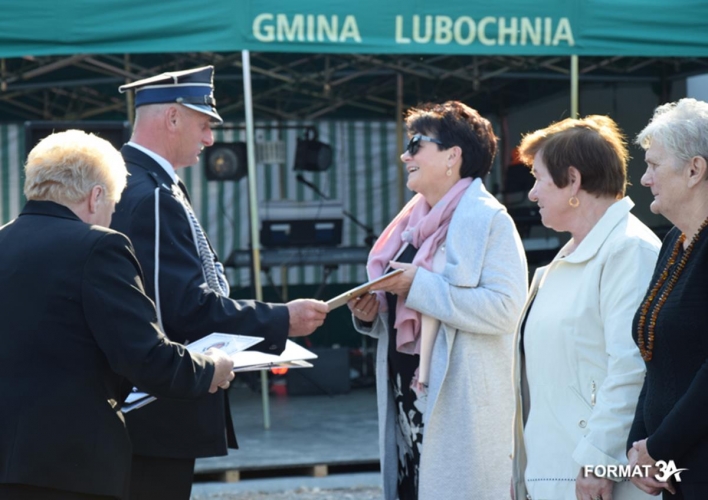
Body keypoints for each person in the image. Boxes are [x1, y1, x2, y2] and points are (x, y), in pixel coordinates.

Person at [112, 66, 329, 500]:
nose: (210, 139)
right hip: (154, 406)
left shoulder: (140, 182)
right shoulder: (152, 193)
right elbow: (182, 311)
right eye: (204, 124)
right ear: (173, 117)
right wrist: (280, 319)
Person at [0, 130, 236, 500]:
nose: (112, 215)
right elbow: (146, 357)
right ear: (96, 196)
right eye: (113, 203)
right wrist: (212, 367)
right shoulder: (99, 246)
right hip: (71, 466)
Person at [349, 101, 528, 500]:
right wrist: (373, 313)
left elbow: (506, 310)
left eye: (415, 144)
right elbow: (408, 309)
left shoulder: (490, 219)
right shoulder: (412, 220)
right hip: (410, 399)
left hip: (457, 408)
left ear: (452, 156)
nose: (405, 155)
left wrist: (418, 286)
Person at [509, 116, 661, 500]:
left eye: (538, 178)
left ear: (573, 180)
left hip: (598, 480)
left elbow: (631, 366)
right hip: (555, 474)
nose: (532, 193)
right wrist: (524, 473)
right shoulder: (568, 256)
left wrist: (597, 460)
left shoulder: (629, 250)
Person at [626, 98, 708, 499]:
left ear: (695, 170)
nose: (644, 179)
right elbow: (655, 356)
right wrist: (638, 445)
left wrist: (658, 447)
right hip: (674, 472)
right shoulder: (674, 240)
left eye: (654, 165)